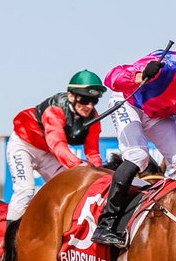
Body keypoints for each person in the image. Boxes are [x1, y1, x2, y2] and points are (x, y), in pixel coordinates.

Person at [91, 40, 176, 248]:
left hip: (160, 115)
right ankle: (106, 224)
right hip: (130, 104)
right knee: (138, 156)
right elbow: (111, 77)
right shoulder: (167, 65)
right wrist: (138, 76)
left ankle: (169, 222)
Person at [6, 70, 106, 221]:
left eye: (94, 101)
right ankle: (8, 235)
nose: (89, 106)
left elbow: (92, 153)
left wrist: (98, 174)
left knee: (71, 186)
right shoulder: (55, 110)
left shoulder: (93, 118)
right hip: (23, 146)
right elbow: (58, 145)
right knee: (25, 190)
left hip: (46, 152)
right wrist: (79, 166)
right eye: (85, 100)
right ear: (71, 96)